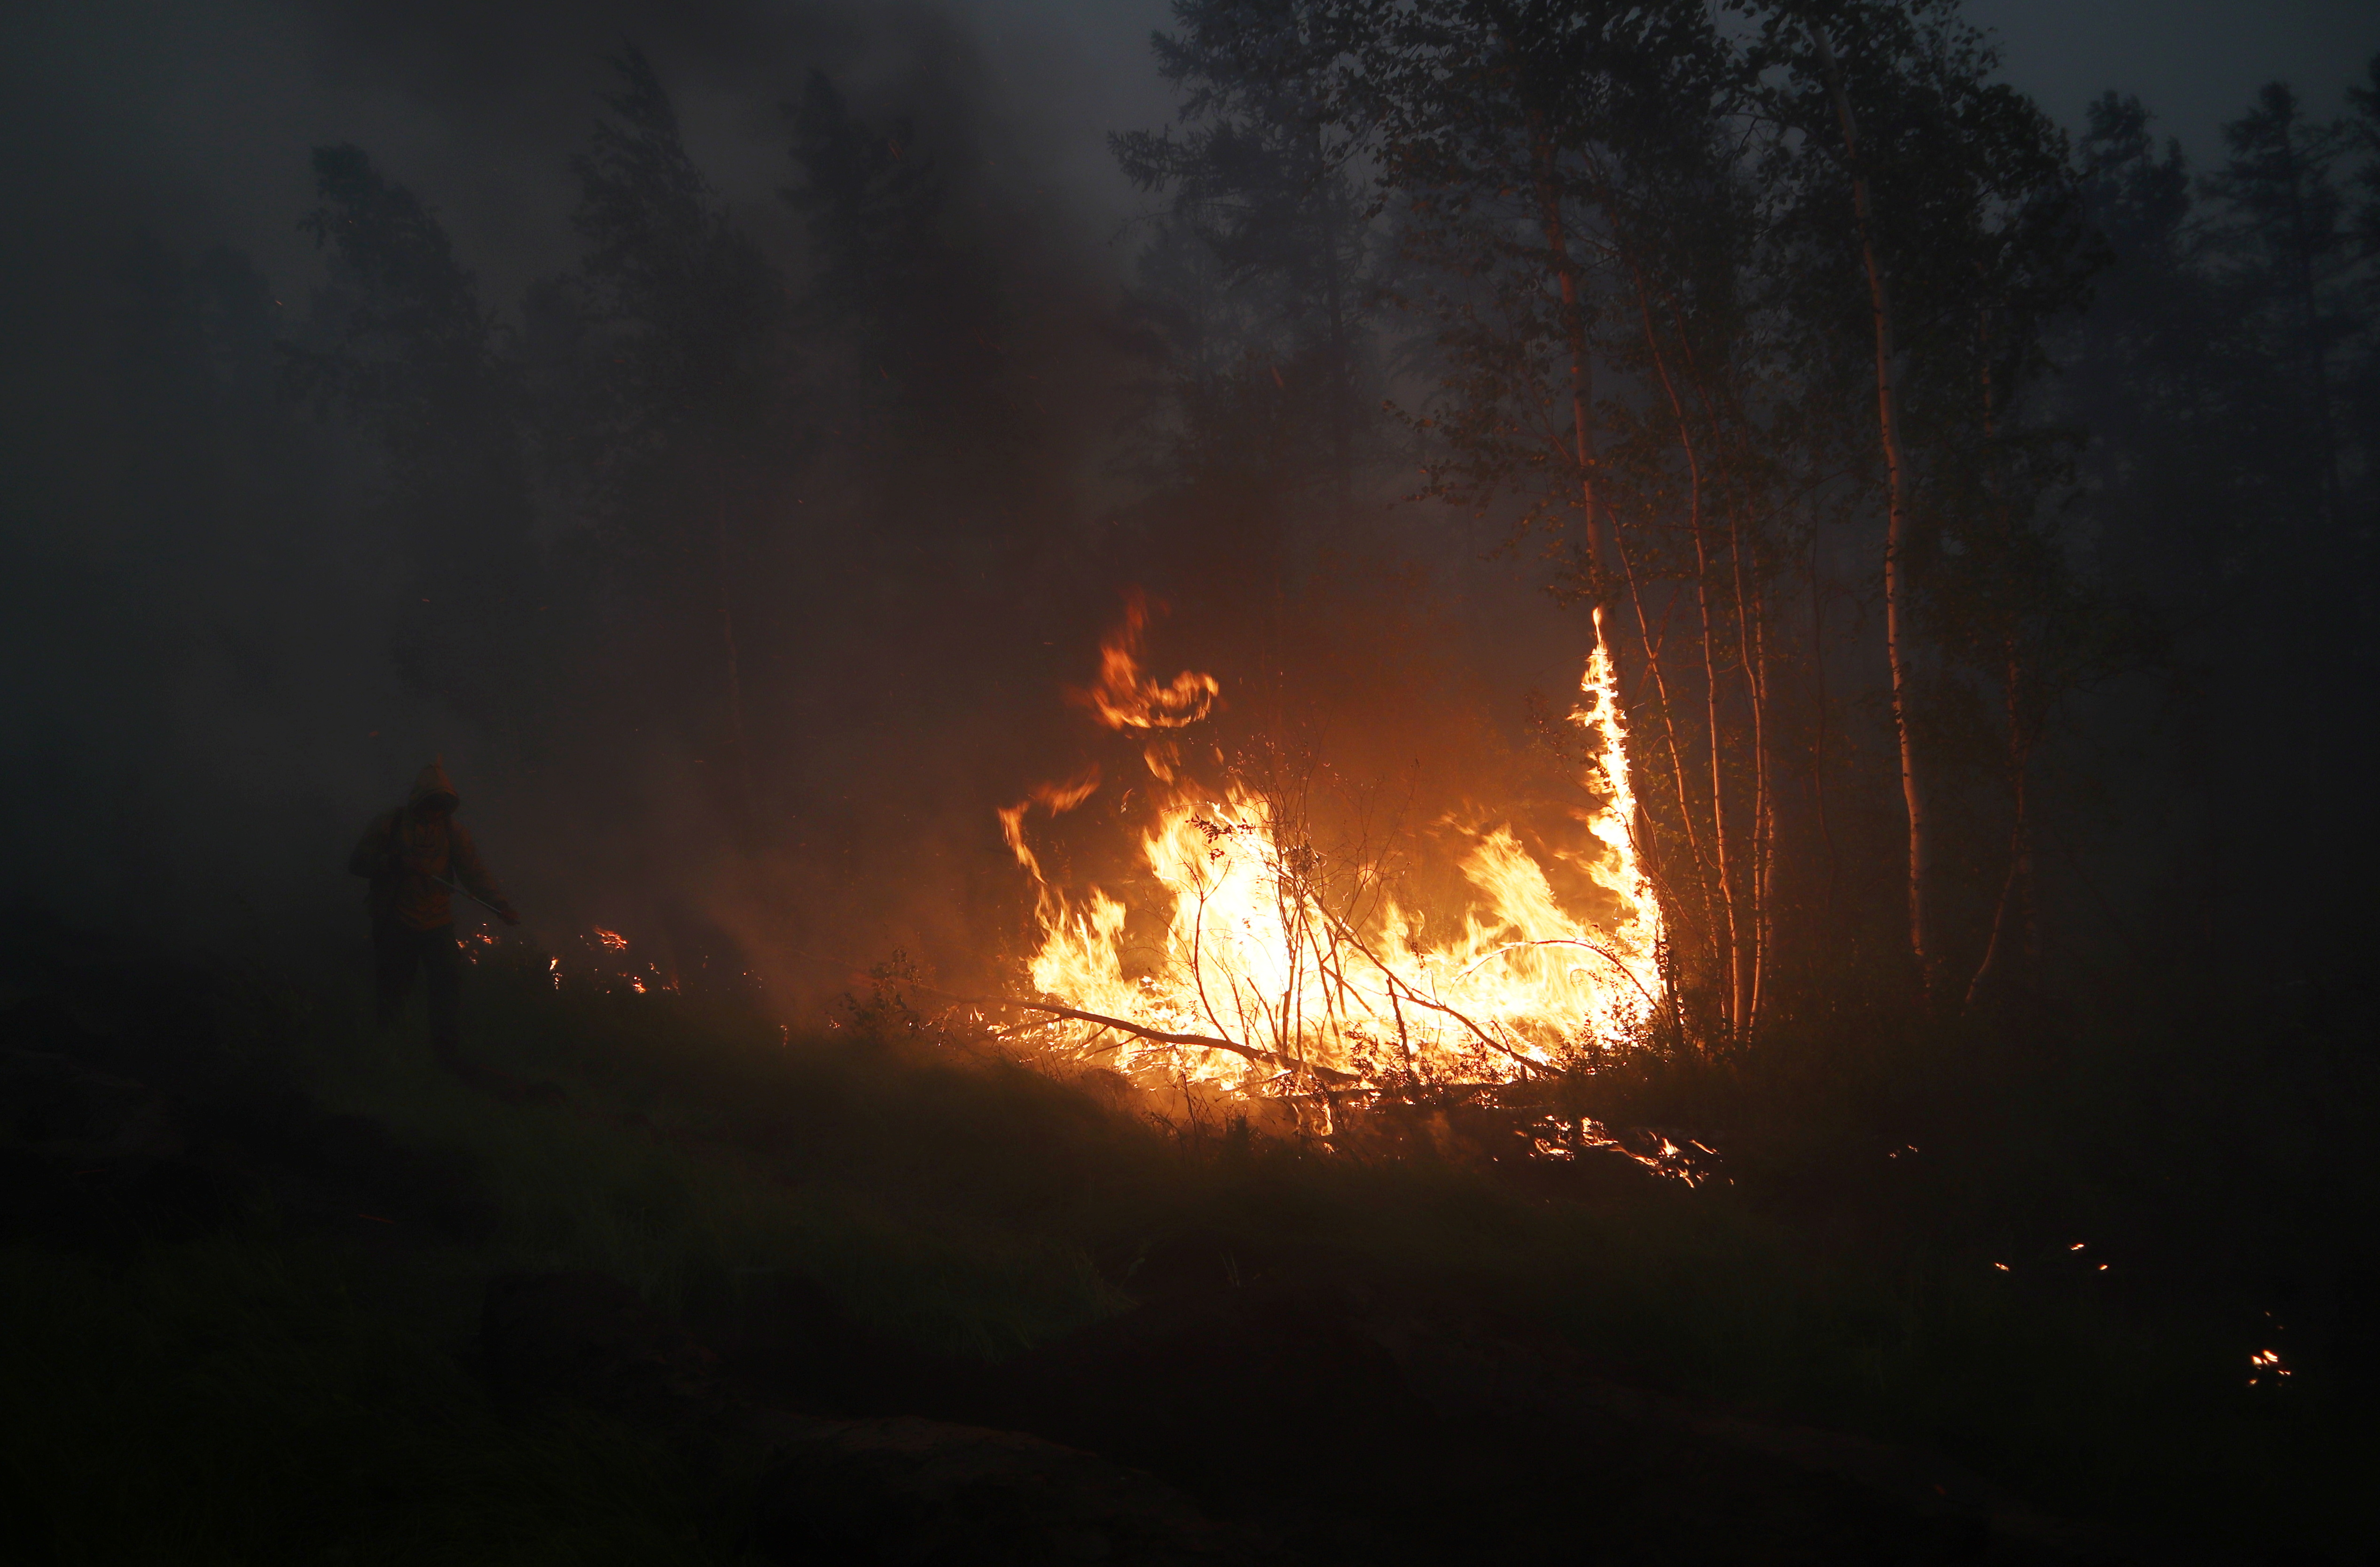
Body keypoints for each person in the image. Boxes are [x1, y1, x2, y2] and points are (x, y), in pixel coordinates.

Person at [350, 758, 520, 1077]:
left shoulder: (453, 833)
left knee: (448, 985)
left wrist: (500, 904)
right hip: (396, 922)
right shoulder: (391, 824)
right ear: (420, 801)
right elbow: (358, 862)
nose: (437, 813)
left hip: (437, 923)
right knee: (394, 990)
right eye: (432, 805)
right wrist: (395, 862)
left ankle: (445, 1056)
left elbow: (473, 873)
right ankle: (387, 1056)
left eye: (443, 807)